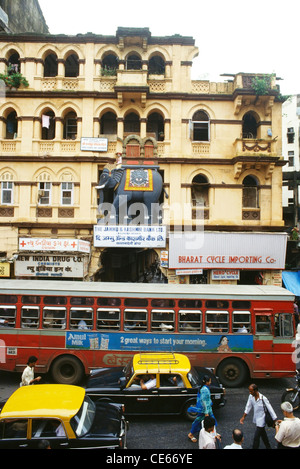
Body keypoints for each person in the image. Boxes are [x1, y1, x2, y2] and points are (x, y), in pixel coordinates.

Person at [240, 383, 277, 449]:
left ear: (255, 391)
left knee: (256, 437)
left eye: (251, 391)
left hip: (262, 420)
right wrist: (243, 417)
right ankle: (268, 446)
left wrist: (275, 421)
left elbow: (270, 409)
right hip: (257, 418)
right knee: (263, 434)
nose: (249, 392)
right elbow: (248, 406)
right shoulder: (251, 396)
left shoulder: (263, 398)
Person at [188, 375, 216, 443]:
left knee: (211, 421)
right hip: (205, 410)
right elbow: (204, 401)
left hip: (207, 409)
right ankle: (191, 434)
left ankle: (213, 433)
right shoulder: (205, 389)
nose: (210, 382)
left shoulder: (204, 388)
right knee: (198, 422)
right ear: (206, 382)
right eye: (209, 380)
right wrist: (206, 412)